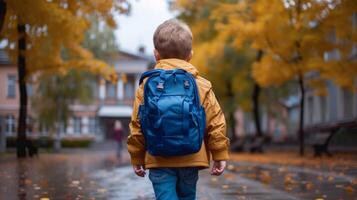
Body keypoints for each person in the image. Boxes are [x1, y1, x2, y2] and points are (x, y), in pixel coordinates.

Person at [127, 19, 229, 200]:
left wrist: (136, 156)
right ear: (190, 55)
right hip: (191, 157)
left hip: (158, 159)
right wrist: (219, 153)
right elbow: (216, 121)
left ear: (156, 55)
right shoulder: (202, 85)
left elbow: (137, 124)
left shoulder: (146, 86)